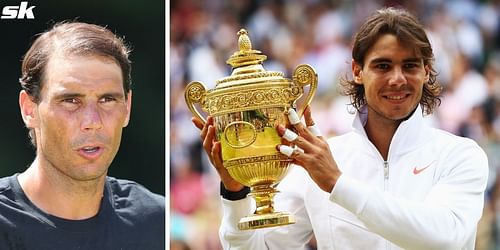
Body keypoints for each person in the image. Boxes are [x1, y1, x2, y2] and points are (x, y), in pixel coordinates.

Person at [192, 7, 489, 250]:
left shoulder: (460, 154)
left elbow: (444, 236)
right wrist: (236, 194)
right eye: (383, 66)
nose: (397, 79)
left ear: (426, 71)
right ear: (358, 71)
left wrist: (338, 184)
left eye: (410, 65)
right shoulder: (324, 160)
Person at [0, 22, 165, 249]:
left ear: (127, 108)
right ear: (29, 109)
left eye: (107, 100)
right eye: (70, 101)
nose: (92, 122)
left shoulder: (157, 223)